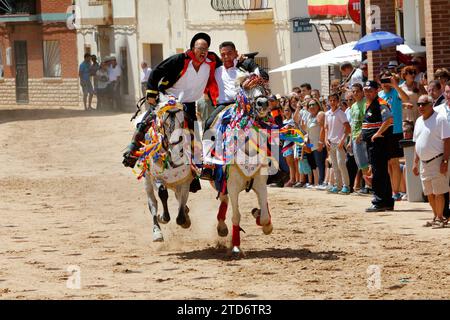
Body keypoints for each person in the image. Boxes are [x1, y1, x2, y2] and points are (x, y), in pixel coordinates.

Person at [123, 32, 220, 193]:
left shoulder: (212, 60)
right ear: (193, 49)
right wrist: (152, 93)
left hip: (188, 103)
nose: (203, 52)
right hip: (169, 97)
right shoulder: (179, 59)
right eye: (200, 48)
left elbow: (228, 65)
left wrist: (245, 63)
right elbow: (156, 72)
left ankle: (195, 173)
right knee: (149, 120)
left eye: (206, 48)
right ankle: (132, 151)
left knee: (193, 132)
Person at [200, 40, 269, 180]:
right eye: (223, 54)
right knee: (208, 123)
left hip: (246, 106)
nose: (226, 57)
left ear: (236, 53)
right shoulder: (216, 70)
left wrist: (249, 63)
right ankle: (207, 163)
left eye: (229, 53)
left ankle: (275, 164)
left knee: (268, 124)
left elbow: (264, 76)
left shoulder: (244, 68)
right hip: (225, 105)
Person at [413, 94, 450, 228]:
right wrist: (415, 162)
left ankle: (440, 217)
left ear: (431, 104)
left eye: (424, 104)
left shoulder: (440, 119)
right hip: (424, 162)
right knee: (429, 192)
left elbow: (447, 141)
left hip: (437, 159)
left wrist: (445, 161)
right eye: (419, 104)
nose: (421, 107)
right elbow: (417, 143)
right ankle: (435, 216)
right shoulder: (418, 121)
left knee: (439, 191)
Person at [362, 81, 395, 212]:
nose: (367, 92)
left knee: (378, 173)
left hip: (379, 144)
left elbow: (389, 119)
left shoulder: (380, 103)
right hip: (373, 144)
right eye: (365, 90)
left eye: (370, 90)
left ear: (376, 90)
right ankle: (386, 201)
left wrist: (377, 133)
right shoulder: (370, 103)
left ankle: (379, 201)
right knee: (381, 172)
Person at [378, 71, 410, 201]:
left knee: (394, 162)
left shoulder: (396, 91)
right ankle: (391, 189)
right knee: (386, 163)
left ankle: (395, 192)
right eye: (383, 80)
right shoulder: (379, 95)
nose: (386, 83)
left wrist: (395, 85)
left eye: (387, 80)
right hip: (382, 131)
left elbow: (406, 98)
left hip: (395, 130)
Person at [325, 93, 351, 194]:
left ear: (338, 101)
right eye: (330, 100)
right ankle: (338, 185)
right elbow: (326, 128)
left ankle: (346, 186)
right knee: (335, 165)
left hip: (339, 143)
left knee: (341, 164)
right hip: (331, 142)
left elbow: (348, 128)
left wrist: (342, 140)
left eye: (334, 100)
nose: (332, 102)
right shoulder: (327, 114)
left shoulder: (341, 113)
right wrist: (326, 139)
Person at [349, 83, 372, 194]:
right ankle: (367, 184)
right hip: (354, 138)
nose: (355, 93)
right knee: (360, 163)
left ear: (362, 92)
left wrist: (361, 134)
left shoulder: (365, 103)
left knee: (366, 162)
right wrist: (350, 141)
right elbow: (353, 124)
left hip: (362, 137)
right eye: (353, 91)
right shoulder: (353, 106)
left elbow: (366, 121)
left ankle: (369, 186)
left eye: (357, 91)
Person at [305, 98, 326, 188]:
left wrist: (321, 142)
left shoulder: (320, 114)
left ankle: (322, 182)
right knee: (314, 163)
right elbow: (308, 131)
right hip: (311, 144)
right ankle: (317, 182)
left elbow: (323, 128)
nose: (312, 106)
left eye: (314, 104)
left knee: (320, 163)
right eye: (310, 105)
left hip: (318, 143)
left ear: (318, 105)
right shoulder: (309, 117)